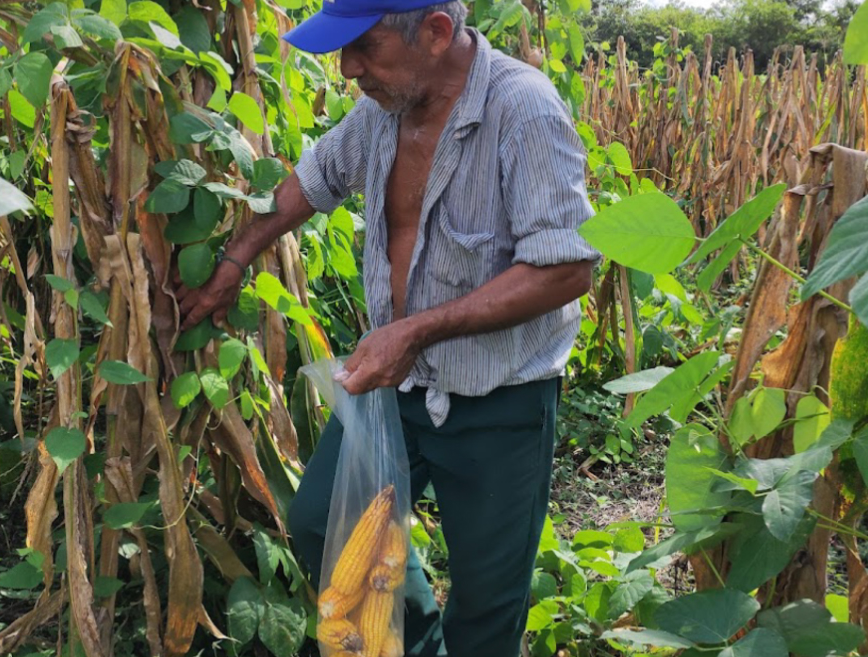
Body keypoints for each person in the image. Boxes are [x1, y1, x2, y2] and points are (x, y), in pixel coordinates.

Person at [174, 0, 600, 653]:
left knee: (487, 602)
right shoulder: (384, 110)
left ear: (434, 32)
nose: (348, 69)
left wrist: (415, 331)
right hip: (394, 386)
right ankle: (415, 642)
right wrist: (237, 256)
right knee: (326, 524)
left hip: (498, 397)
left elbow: (566, 269)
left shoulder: (525, 111)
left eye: (364, 47)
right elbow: (312, 181)